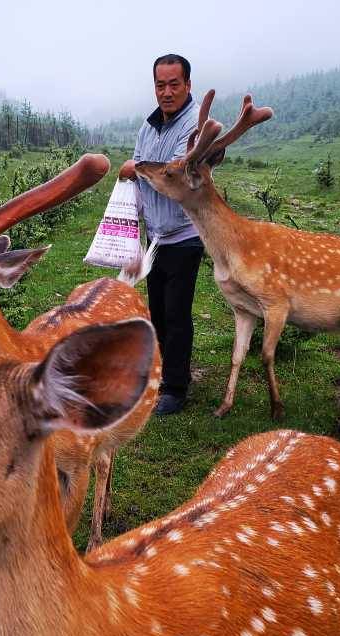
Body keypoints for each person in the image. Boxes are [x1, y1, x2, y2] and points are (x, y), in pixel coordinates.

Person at [119, 54, 205, 416]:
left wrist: (133, 168)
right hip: (155, 236)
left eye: (174, 84)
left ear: (188, 85)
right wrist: (134, 231)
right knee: (157, 312)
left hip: (185, 234)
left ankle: (175, 387)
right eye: (160, 84)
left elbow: (173, 175)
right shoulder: (148, 126)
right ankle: (160, 373)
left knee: (177, 313)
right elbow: (141, 178)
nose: (167, 92)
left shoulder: (195, 125)